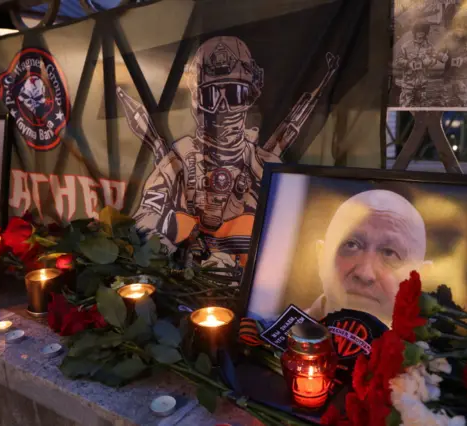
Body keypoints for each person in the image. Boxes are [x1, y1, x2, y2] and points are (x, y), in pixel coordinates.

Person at [128, 37, 338, 271]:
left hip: (249, 283)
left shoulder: (266, 167)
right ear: (197, 100)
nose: (223, 108)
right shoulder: (178, 162)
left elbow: (296, 236)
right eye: (211, 96)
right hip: (185, 281)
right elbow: (145, 217)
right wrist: (169, 246)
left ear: (250, 96)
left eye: (234, 94)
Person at [307, 190, 427, 326]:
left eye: (389, 253)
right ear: (321, 257)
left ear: (419, 279)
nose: (365, 274)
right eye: (351, 245)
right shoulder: (287, 334)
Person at [440, 16, 467, 107]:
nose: (460, 29)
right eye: (458, 26)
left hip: (464, 78)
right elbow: (439, 51)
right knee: (446, 103)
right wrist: (441, 56)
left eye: (463, 27)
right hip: (449, 76)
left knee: (463, 103)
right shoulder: (448, 38)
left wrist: (464, 60)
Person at [396, 22, 440, 107]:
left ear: (426, 32)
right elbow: (398, 60)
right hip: (408, 84)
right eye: (418, 31)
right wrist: (408, 63)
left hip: (422, 84)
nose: (420, 33)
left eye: (423, 31)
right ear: (415, 32)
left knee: (421, 107)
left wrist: (429, 61)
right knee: (405, 106)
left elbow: (435, 59)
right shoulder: (406, 46)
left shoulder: (430, 47)